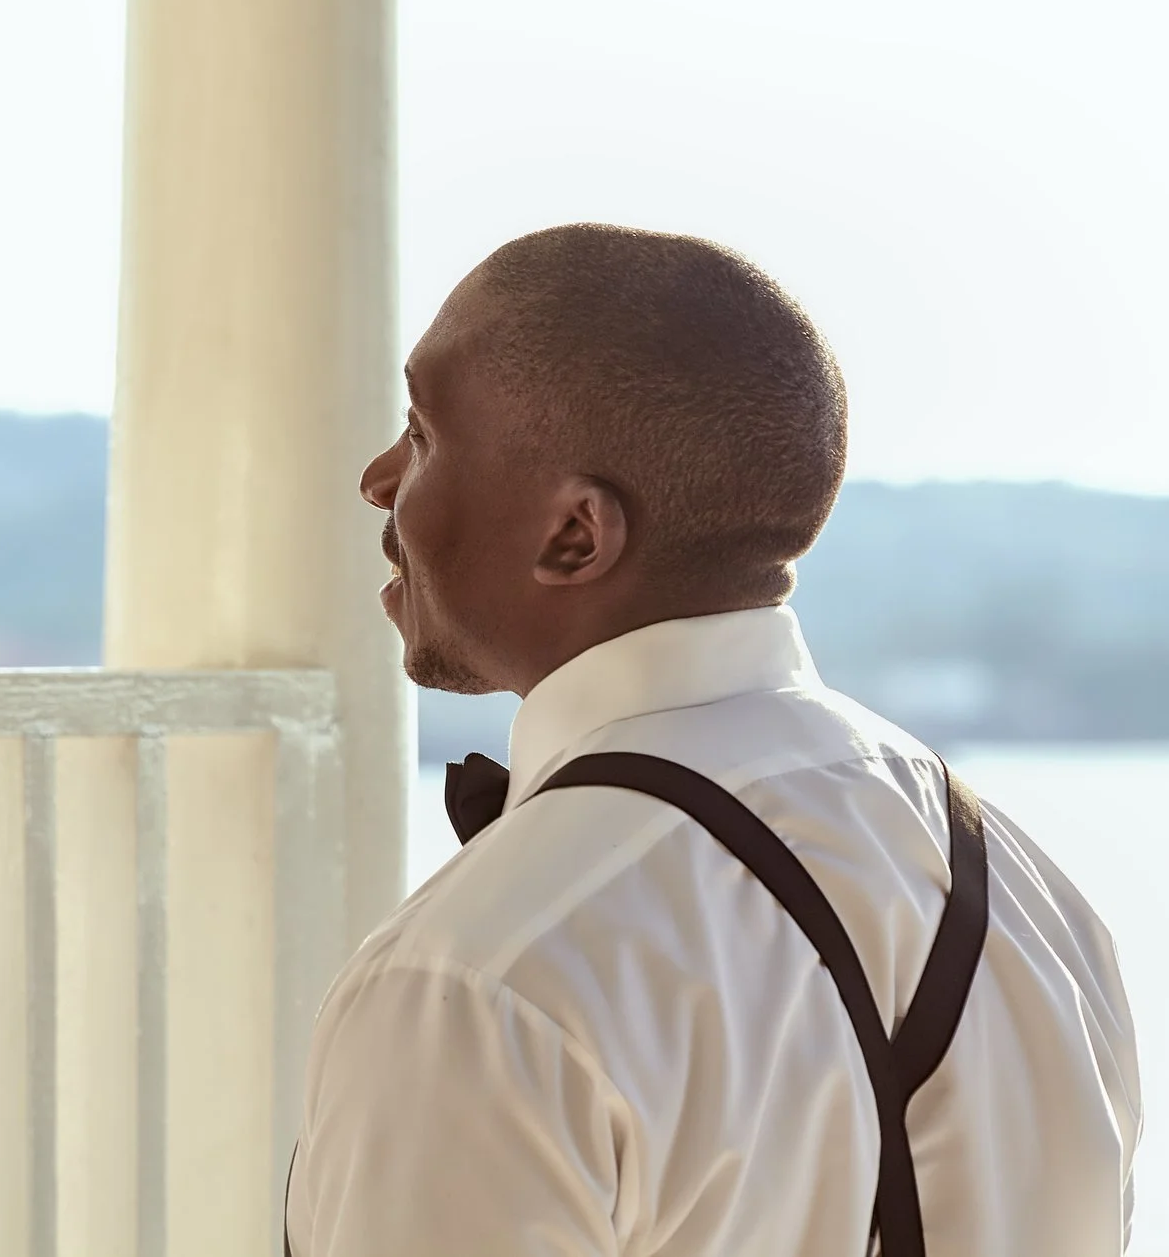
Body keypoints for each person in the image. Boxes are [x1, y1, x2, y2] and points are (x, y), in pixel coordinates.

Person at [287, 224, 1141, 1254]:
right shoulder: (1035, 897)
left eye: (423, 433)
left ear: (574, 535)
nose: (379, 478)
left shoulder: (472, 980)